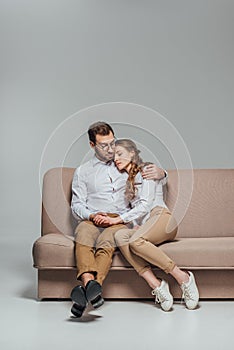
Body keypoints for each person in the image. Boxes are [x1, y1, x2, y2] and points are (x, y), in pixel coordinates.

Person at [70, 122, 166, 317]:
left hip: (119, 220)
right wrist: (91, 215)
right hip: (92, 217)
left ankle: (86, 292)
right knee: (82, 236)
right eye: (103, 145)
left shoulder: (123, 162)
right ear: (91, 145)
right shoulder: (82, 171)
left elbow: (149, 179)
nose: (110, 149)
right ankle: (91, 288)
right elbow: (76, 205)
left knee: (107, 242)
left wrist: (163, 173)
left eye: (112, 143)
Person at [96, 139, 199, 312]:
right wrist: (136, 224)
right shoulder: (125, 180)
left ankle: (183, 278)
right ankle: (157, 285)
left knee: (135, 240)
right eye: (113, 156)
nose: (116, 159)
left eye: (120, 154)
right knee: (120, 236)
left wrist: (164, 173)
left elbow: (145, 204)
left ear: (132, 153)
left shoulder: (147, 170)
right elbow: (135, 209)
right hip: (146, 226)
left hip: (162, 218)